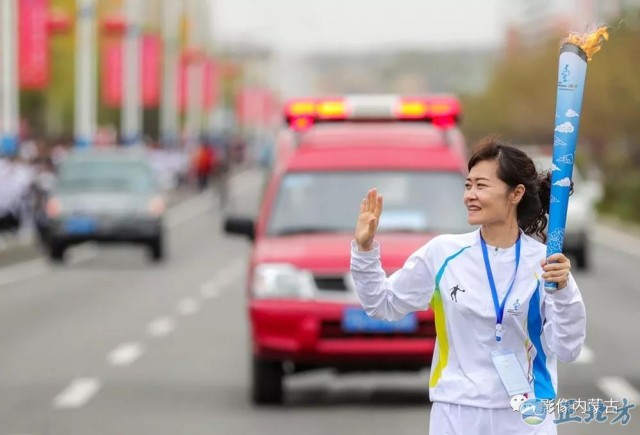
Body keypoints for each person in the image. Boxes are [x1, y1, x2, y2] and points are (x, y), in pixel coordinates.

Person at [350, 139, 586, 435]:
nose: (470, 196)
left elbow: (567, 348)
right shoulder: (444, 253)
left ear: (516, 193)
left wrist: (563, 291)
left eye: (482, 186)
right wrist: (365, 249)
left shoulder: (545, 264)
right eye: (468, 185)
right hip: (456, 411)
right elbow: (382, 303)